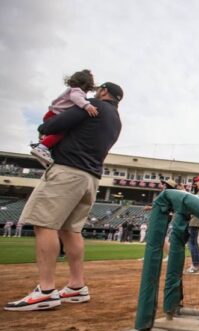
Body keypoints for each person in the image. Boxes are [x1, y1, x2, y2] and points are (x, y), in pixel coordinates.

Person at [5, 82, 123, 311]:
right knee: (70, 230)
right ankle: (76, 286)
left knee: (43, 223)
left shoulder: (93, 104)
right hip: (91, 177)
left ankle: (46, 290)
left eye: (99, 88)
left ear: (105, 91)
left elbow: (50, 126)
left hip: (68, 170)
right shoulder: (116, 119)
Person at [30, 69, 99, 168]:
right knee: (62, 133)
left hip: (52, 113)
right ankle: (42, 147)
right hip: (55, 114)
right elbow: (76, 97)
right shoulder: (77, 91)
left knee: (57, 135)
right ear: (86, 85)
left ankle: (44, 145)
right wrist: (87, 106)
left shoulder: (71, 89)